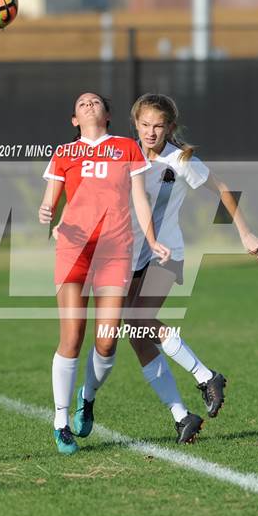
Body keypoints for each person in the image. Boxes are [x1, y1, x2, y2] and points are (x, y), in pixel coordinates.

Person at [121, 93, 258, 443]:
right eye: (144, 125)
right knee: (137, 335)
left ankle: (206, 376)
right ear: (135, 124)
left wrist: (245, 233)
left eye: (158, 126)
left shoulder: (181, 159)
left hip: (166, 256)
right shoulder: (126, 153)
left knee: (140, 320)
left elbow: (222, 189)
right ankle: (181, 416)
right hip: (129, 255)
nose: (150, 132)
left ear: (170, 126)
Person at [38, 92, 170, 455]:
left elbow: (141, 198)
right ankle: (61, 422)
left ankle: (88, 396)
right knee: (72, 336)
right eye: (81, 103)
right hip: (73, 248)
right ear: (74, 120)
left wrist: (154, 241)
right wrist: (46, 212)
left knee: (108, 339)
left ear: (108, 114)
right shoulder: (64, 153)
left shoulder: (127, 147)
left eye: (95, 101)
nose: (88, 105)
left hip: (115, 248)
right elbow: (51, 201)